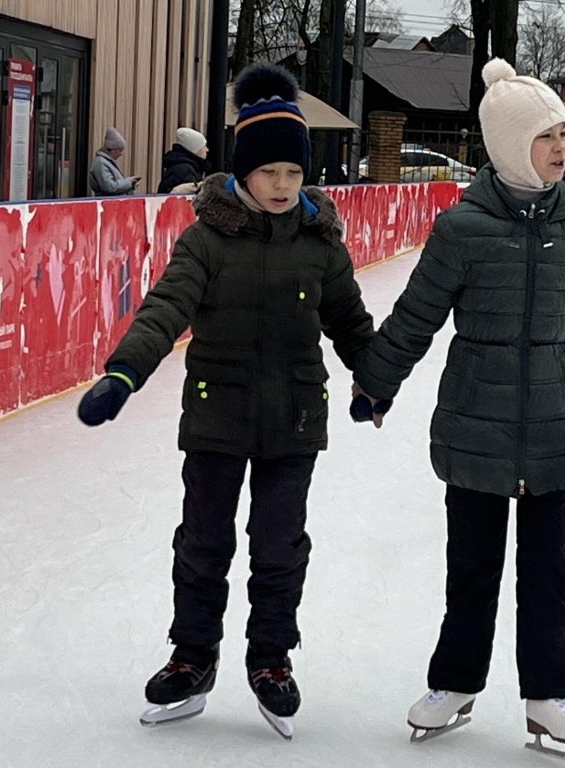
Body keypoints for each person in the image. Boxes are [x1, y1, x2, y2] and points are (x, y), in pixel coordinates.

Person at [351, 59, 565, 760]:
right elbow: (416, 316)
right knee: (471, 568)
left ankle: (550, 693)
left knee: (549, 572)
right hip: (475, 420)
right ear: (511, 144)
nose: (561, 148)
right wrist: (376, 385)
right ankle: (454, 683)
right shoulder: (464, 228)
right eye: (547, 136)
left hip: (554, 421)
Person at [76, 62, 376, 734]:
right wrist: (124, 373)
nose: (281, 185)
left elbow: (351, 321)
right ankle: (192, 658)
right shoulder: (207, 238)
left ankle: (272, 659)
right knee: (203, 544)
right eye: (269, 172)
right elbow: (165, 308)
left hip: (295, 416)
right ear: (242, 171)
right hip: (217, 413)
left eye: (293, 174)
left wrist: (373, 379)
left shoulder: (319, 244)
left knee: (279, 545)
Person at [158, 127, 211, 194]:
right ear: (194, 148)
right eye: (204, 146)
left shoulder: (185, 166)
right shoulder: (184, 170)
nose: (207, 150)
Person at [89, 127, 140, 196]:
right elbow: (109, 187)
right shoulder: (101, 163)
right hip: (108, 203)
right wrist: (128, 182)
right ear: (113, 149)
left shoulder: (105, 162)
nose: (120, 154)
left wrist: (130, 184)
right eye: (120, 150)